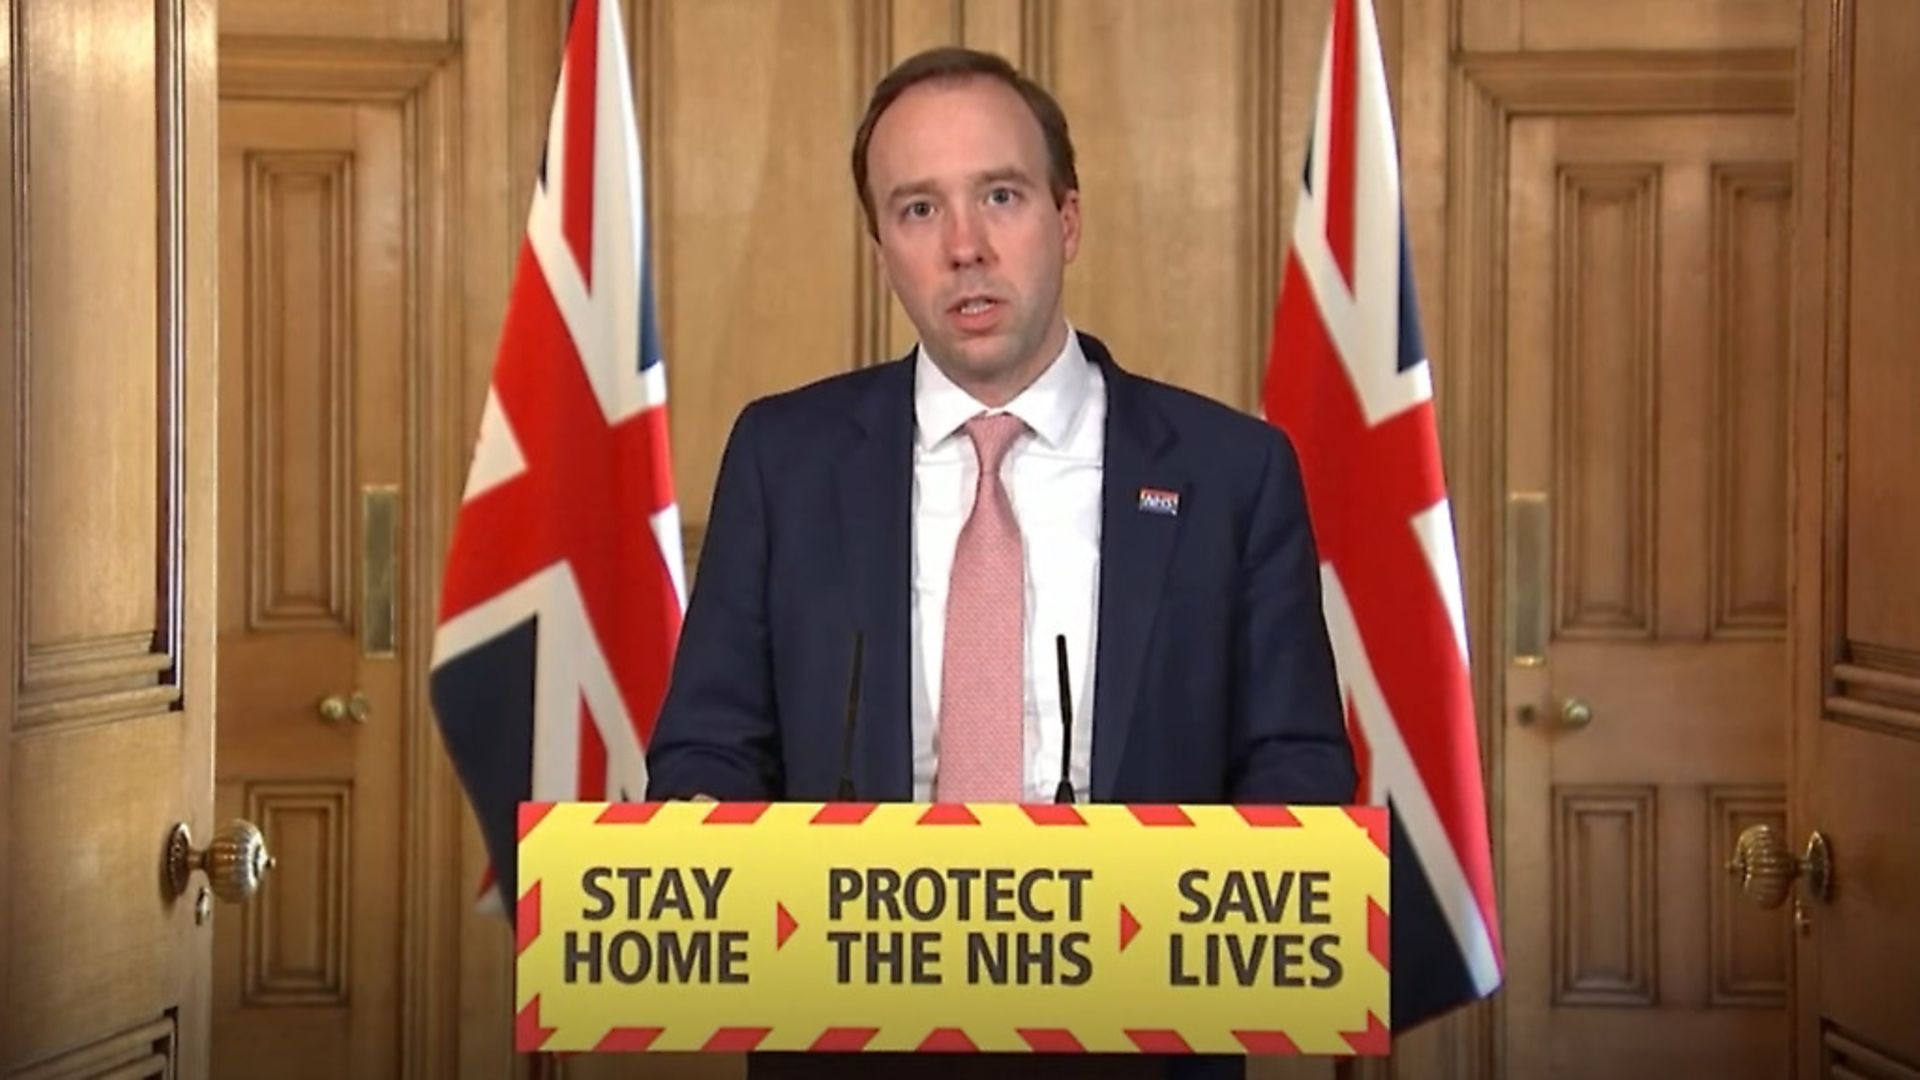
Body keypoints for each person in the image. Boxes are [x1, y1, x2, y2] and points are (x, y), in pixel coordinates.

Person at [646, 46, 1356, 1080]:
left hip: (1135, 1038)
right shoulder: (783, 460)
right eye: (919, 210)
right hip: (849, 1035)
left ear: (1067, 221)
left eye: (1001, 196)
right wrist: (710, 846)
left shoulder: (1229, 473)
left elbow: (1297, 770)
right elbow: (707, 751)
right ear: (882, 244)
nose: (966, 248)